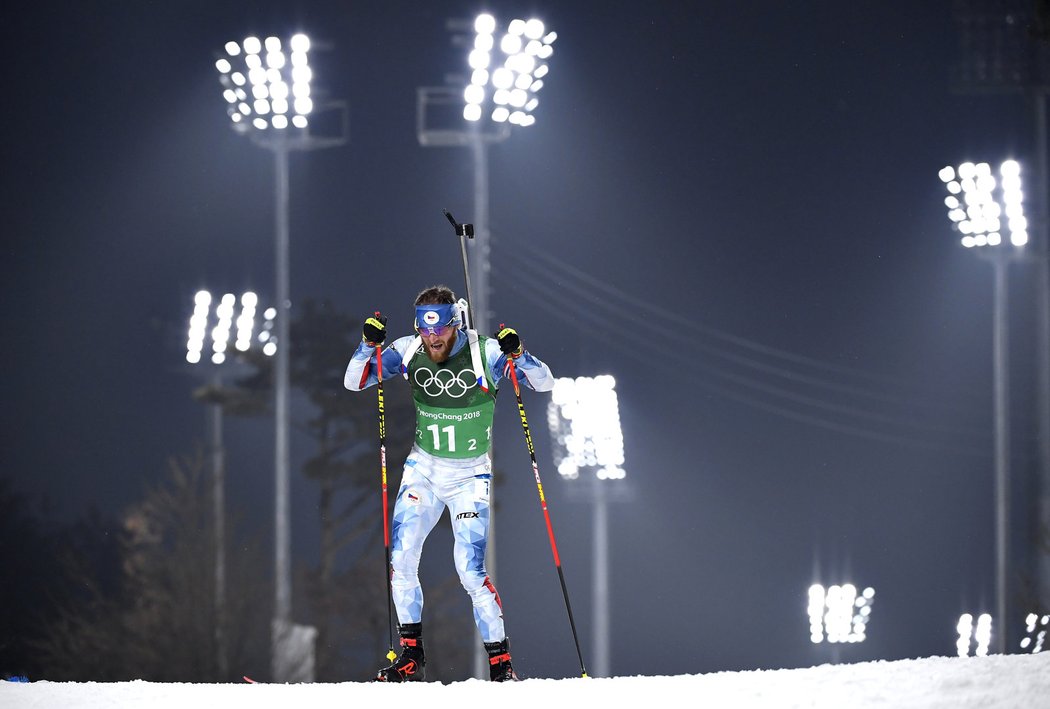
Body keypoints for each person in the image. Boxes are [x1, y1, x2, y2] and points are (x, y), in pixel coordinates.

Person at [344, 284, 554, 682]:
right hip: (423, 470)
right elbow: (355, 382)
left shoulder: (484, 352)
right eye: (426, 330)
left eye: (440, 330)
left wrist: (518, 353)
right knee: (402, 560)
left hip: (469, 476)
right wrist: (366, 345)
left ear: (455, 323)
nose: (433, 338)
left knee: (469, 570)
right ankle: (410, 657)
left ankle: (501, 664)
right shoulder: (409, 349)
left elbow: (544, 383)